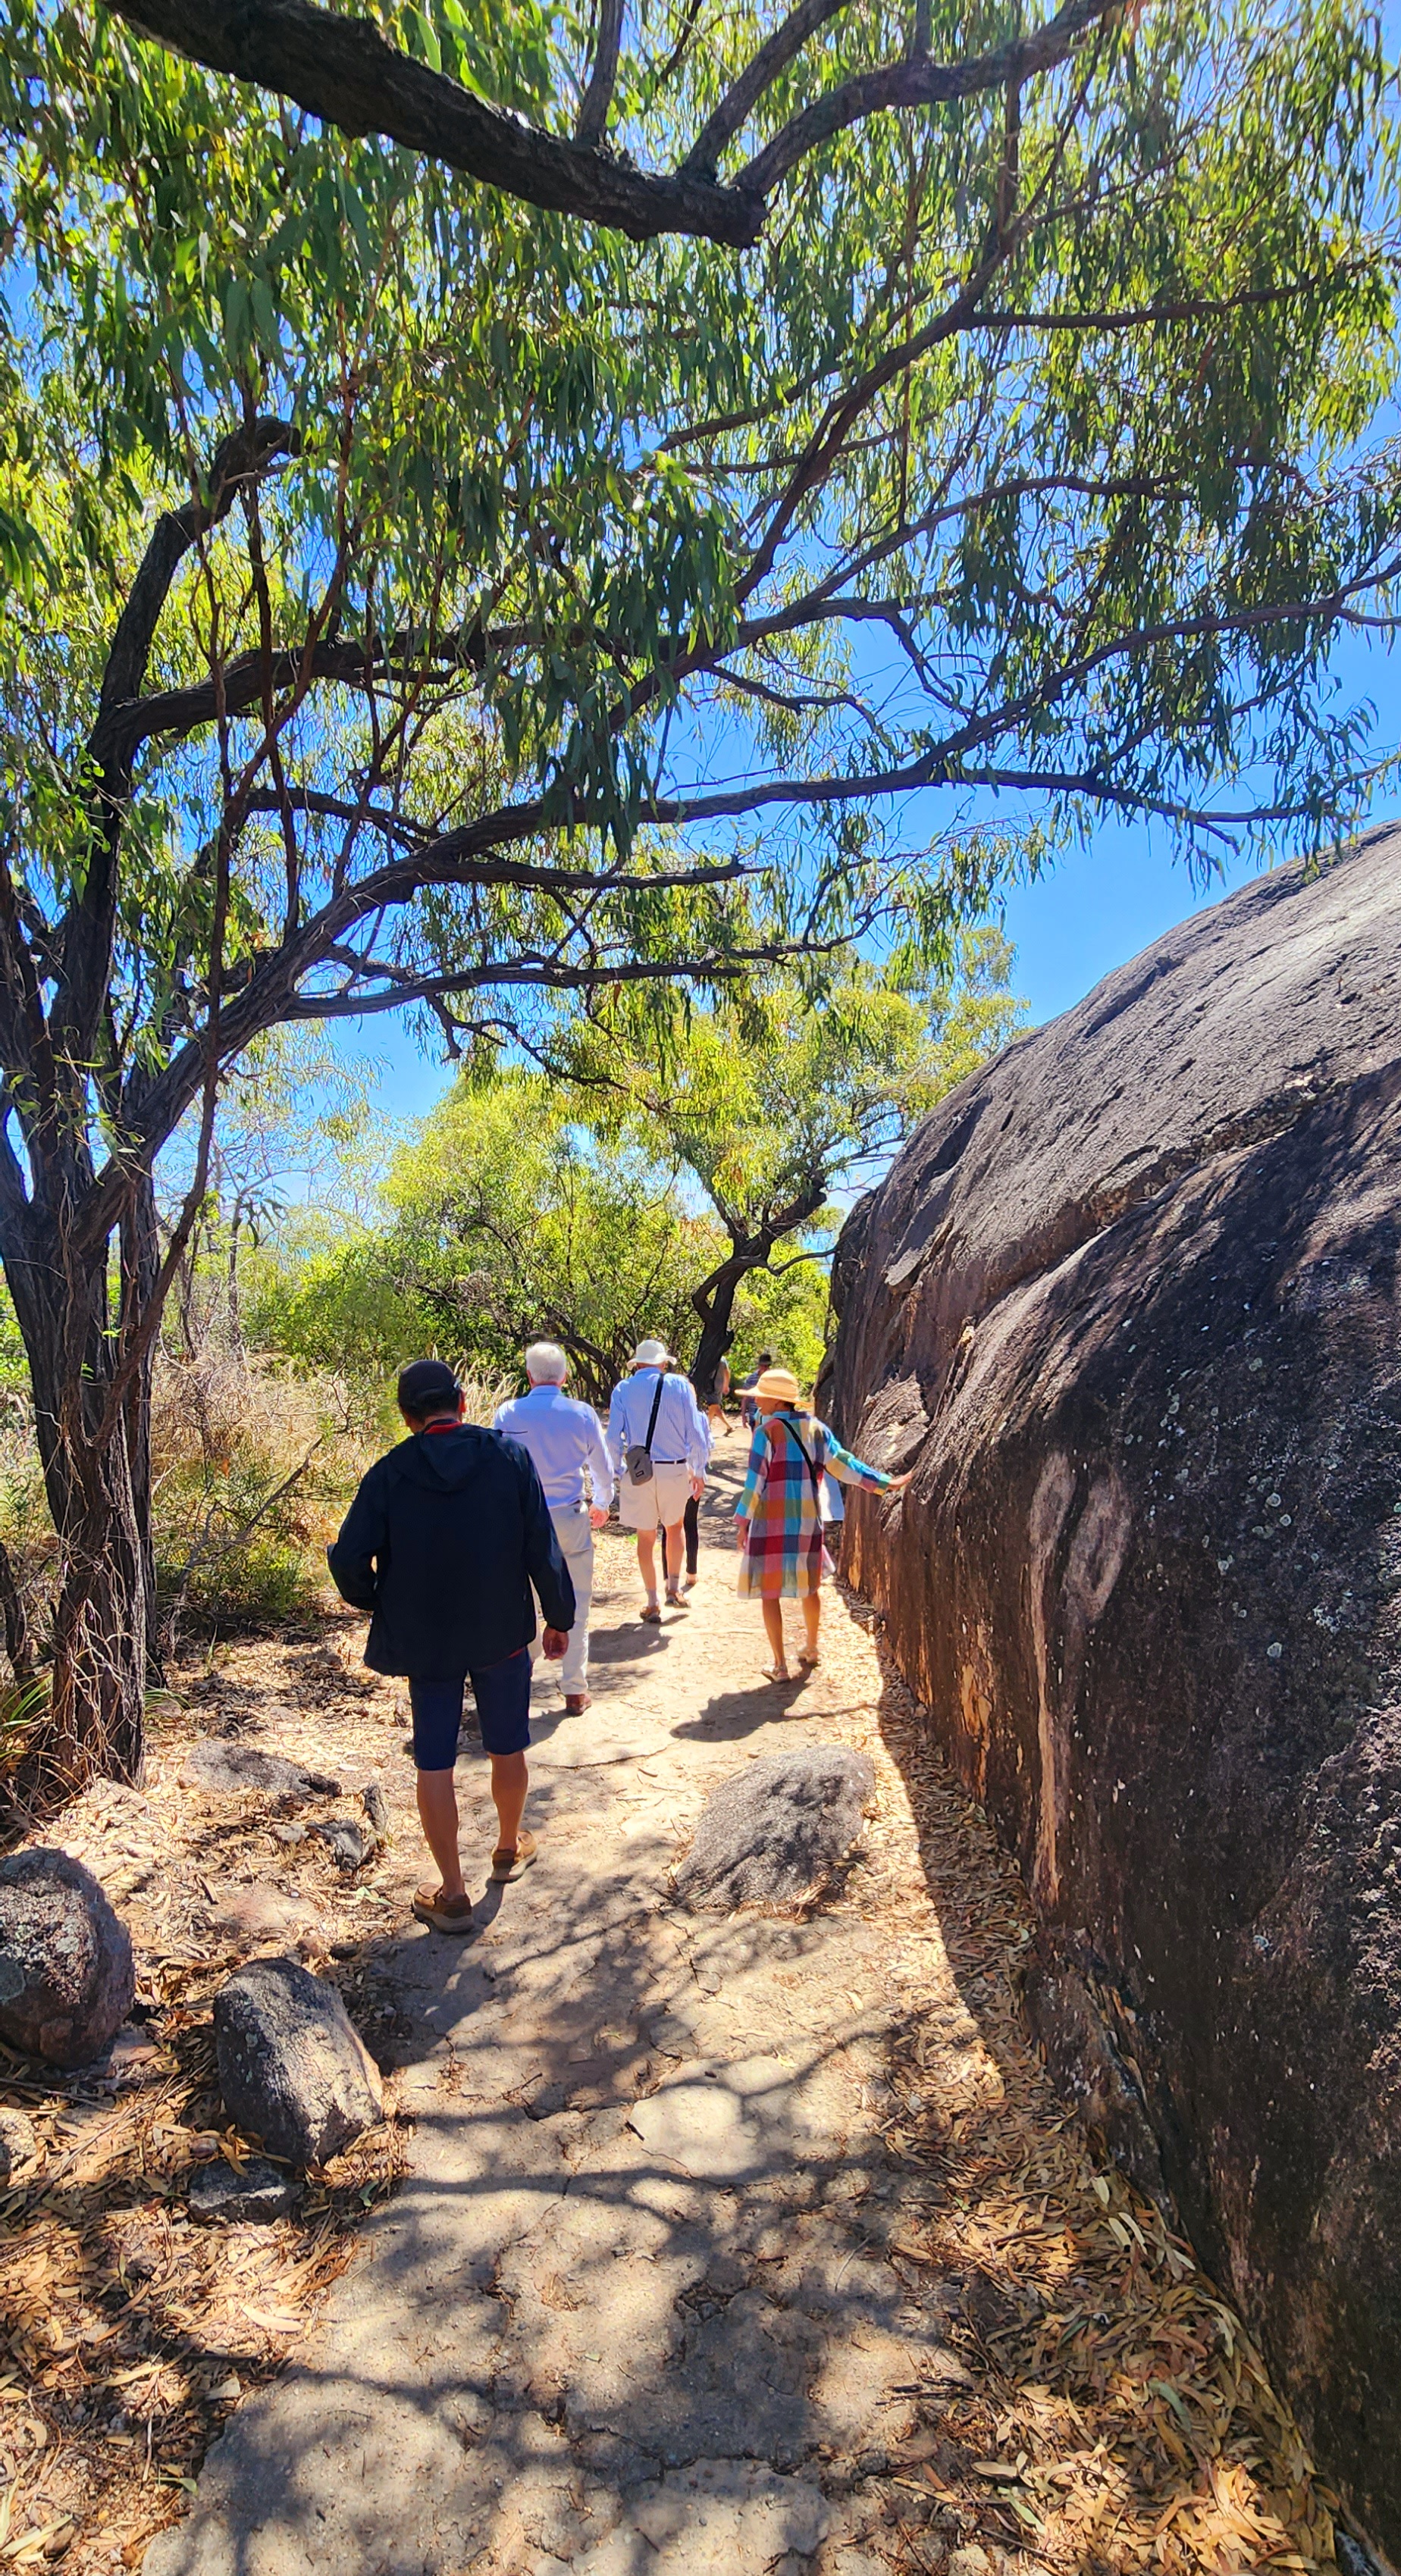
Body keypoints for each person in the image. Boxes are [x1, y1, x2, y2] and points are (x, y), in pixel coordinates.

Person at [328, 1358, 575, 1934]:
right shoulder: (509, 1458)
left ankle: (453, 1892)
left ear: (407, 1417)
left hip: (426, 1637)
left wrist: (377, 1600)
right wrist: (559, 1615)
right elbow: (543, 1544)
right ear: (463, 1402)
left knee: (434, 1758)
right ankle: (509, 1848)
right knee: (507, 1743)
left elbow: (346, 1559)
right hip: (501, 1630)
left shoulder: (390, 1472)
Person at [733, 1366, 912, 1682]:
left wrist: (742, 1521)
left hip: (770, 1523)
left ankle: (780, 1665)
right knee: (810, 1587)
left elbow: (754, 1482)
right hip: (807, 1522)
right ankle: (812, 1647)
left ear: (776, 1401)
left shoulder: (766, 1433)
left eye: (762, 1396)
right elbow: (845, 1465)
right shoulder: (816, 1429)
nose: (758, 1401)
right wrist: (885, 1483)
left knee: (769, 1592)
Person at [494, 1341, 613, 1714]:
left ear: (529, 1375)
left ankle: (520, 1681)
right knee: (576, 1600)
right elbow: (603, 1468)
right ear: (564, 1376)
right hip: (569, 1516)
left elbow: (494, 1465)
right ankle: (575, 1689)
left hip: (522, 1520)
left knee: (521, 1600)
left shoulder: (509, 1412)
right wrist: (603, 1503)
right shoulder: (581, 1414)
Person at [606, 1338, 708, 1620]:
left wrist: (615, 1475)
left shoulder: (623, 1389)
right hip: (674, 1469)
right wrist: (698, 1470)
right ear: (663, 1363)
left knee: (645, 1537)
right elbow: (695, 1432)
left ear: (637, 1364)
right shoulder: (679, 1386)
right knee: (675, 1528)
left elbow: (614, 1437)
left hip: (640, 1472)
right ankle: (673, 1589)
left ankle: (652, 1602)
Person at [738, 1351, 773, 1431]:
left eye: (767, 1366)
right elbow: (745, 1397)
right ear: (759, 1365)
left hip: (769, 1416)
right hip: (753, 1414)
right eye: (762, 1366)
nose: (764, 1368)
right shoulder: (751, 1378)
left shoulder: (773, 1379)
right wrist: (743, 1415)